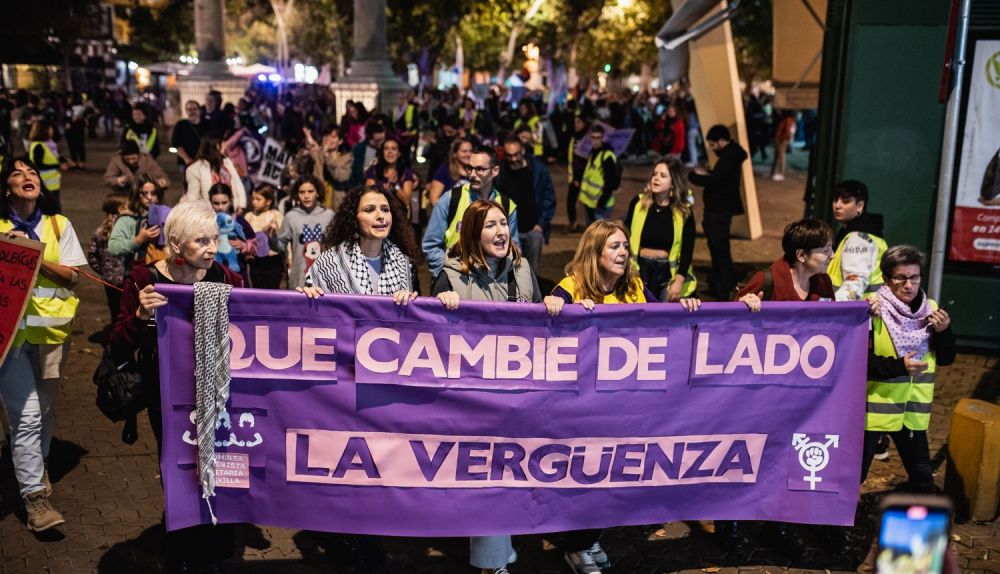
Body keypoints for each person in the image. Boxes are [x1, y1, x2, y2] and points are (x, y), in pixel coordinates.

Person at [549, 219, 699, 574]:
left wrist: (687, 307)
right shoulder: (569, 288)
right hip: (581, 408)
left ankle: (587, 538)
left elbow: (664, 325)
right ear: (595, 250)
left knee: (615, 475)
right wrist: (557, 310)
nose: (623, 252)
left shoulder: (634, 286)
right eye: (614, 246)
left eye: (624, 246)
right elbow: (546, 336)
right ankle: (576, 545)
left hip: (625, 404)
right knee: (589, 476)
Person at [110, 200, 242, 572]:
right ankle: (183, 552)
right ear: (177, 243)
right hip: (166, 395)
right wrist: (140, 315)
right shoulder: (142, 279)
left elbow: (257, 317)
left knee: (220, 466)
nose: (212, 248)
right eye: (201, 240)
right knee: (181, 469)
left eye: (214, 238)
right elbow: (119, 345)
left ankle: (214, 550)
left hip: (217, 391)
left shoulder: (225, 278)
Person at [432, 199, 562, 574]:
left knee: (511, 475)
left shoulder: (522, 269)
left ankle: (500, 546)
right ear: (473, 232)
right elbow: (433, 340)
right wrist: (441, 306)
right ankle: (492, 564)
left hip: (519, 395)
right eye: (489, 225)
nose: (500, 231)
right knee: (489, 477)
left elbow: (540, 320)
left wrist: (550, 304)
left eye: (503, 223)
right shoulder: (452, 276)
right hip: (474, 399)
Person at [729, 218, 835, 558]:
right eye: (825, 250)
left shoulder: (823, 283)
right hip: (759, 393)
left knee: (787, 460)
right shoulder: (767, 279)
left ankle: (776, 526)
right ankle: (729, 524)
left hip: (801, 395)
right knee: (748, 457)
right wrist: (744, 308)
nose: (832, 255)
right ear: (801, 255)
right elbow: (724, 328)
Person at [855, 245, 956, 572]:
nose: (909, 285)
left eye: (914, 277)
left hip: (912, 413)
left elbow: (948, 357)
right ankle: (833, 532)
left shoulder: (933, 310)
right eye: (900, 279)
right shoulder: (872, 310)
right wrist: (898, 366)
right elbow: (860, 362)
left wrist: (944, 333)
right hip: (875, 409)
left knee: (923, 478)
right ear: (887, 279)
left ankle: (923, 552)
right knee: (854, 476)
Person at [0, 156, 87, 532]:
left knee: (46, 410)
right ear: (7, 188)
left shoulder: (58, 224)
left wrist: (31, 254)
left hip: (52, 334)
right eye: (17, 174)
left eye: (32, 172)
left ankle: (37, 462)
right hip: (10, 339)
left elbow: (72, 277)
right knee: (28, 416)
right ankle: (36, 500)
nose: (27, 177)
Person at [422, 145, 519, 278]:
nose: (472, 174)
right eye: (470, 168)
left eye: (479, 169)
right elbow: (430, 245)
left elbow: (514, 248)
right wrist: (450, 274)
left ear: (495, 171)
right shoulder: (450, 199)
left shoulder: (507, 205)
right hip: (453, 285)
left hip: (493, 284)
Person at [623, 156, 696, 302]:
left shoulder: (684, 212)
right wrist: (629, 270)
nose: (656, 179)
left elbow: (687, 251)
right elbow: (625, 236)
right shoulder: (638, 203)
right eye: (654, 174)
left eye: (663, 176)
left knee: (664, 320)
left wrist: (679, 281)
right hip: (639, 271)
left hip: (667, 275)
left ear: (673, 183)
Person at [688, 124, 747, 300]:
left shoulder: (730, 156)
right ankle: (718, 285)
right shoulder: (730, 155)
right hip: (719, 210)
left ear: (722, 141)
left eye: (713, 145)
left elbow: (716, 180)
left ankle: (723, 290)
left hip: (719, 211)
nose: (712, 149)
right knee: (718, 250)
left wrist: (694, 176)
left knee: (720, 251)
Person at [495, 135, 555, 272]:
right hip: (508, 232)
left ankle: (529, 293)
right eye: (509, 155)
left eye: (516, 154)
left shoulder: (538, 169)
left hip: (533, 231)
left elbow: (549, 197)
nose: (514, 159)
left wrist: (541, 224)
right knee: (508, 270)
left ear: (523, 150)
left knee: (530, 270)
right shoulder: (500, 171)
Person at [828, 180, 887, 301]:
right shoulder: (853, 234)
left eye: (845, 201)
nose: (837, 205)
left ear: (860, 206)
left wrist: (827, 308)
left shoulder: (859, 238)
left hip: (857, 313)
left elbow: (854, 286)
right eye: (835, 200)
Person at [275, 175, 335, 289]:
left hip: (325, 277)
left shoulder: (329, 215)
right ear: (296, 195)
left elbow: (337, 246)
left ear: (317, 192)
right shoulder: (291, 216)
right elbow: (280, 246)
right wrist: (270, 239)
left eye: (310, 191)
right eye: (302, 192)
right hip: (299, 278)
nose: (306, 196)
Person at [108, 174, 165, 281]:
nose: (149, 197)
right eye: (144, 193)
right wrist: (139, 240)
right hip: (136, 275)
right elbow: (113, 247)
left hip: (163, 274)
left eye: (153, 193)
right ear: (136, 194)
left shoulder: (167, 215)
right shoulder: (127, 219)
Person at [87, 192, 129, 323]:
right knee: (128, 311)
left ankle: (114, 339)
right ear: (121, 209)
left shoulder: (100, 230)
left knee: (115, 312)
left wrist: (104, 271)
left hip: (109, 281)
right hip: (127, 279)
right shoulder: (127, 229)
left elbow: (92, 255)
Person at [184, 136, 247, 212]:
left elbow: (237, 183)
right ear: (217, 146)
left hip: (231, 209)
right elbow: (193, 196)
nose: (225, 145)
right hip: (209, 213)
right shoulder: (195, 169)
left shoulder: (226, 162)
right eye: (223, 143)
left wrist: (241, 205)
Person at [208, 183, 255, 283]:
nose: (220, 207)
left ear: (231, 200)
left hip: (237, 274)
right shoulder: (206, 222)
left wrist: (244, 246)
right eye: (216, 203)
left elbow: (255, 245)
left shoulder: (238, 221)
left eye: (224, 202)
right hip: (212, 274)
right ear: (210, 202)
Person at [244, 184, 285, 289]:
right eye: (253, 199)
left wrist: (273, 231)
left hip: (273, 261)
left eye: (258, 199)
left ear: (268, 201)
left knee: (273, 291)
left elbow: (282, 238)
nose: (254, 202)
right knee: (257, 291)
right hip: (256, 261)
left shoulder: (276, 215)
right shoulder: (249, 216)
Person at [578, 125, 620, 224]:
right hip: (589, 203)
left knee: (601, 237)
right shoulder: (592, 153)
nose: (595, 141)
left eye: (598, 137)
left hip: (601, 205)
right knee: (591, 236)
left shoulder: (607, 156)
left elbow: (611, 183)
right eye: (593, 137)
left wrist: (601, 203)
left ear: (603, 138)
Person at [305, 126, 352, 211]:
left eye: (333, 137)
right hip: (318, 204)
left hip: (337, 206)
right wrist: (308, 148)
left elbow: (341, 177)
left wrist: (327, 156)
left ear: (340, 141)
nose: (328, 139)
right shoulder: (316, 155)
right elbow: (301, 168)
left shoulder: (347, 158)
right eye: (326, 136)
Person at [364, 136, 416, 213]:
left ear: (399, 153)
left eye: (393, 149)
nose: (390, 152)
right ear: (382, 152)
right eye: (386, 149)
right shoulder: (373, 170)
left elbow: (407, 201)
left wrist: (396, 187)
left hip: (399, 215)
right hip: (377, 214)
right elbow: (367, 196)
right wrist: (382, 191)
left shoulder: (406, 172)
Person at [103, 139, 170, 193]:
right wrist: (118, 180)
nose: (131, 161)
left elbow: (161, 175)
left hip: (144, 193)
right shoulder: (117, 161)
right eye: (127, 159)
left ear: (138, 155)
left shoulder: (147, 160)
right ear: (122, 157)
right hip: (123, 193)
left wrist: (163, 182)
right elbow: (108, 178)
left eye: (133, 158)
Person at [27, 120, 64, 212]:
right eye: (50, 129)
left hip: (51, 184)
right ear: (44, 130)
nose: (52, 131)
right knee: (51, 211)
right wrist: (58, 166)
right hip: (44, 184)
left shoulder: (48, 144)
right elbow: (39, 165)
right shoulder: (39, 146)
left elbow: (52, 158)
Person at [427, 136, 473, 206]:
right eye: (464, 151)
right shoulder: (445, 169)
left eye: (471, 151)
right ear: (455, 154)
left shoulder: (475, 170)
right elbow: (434, 197)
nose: (468, 154)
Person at [566, 114, 590, 232]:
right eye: (575, 122)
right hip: (573, 176)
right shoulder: (575, 137)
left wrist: (577, 178)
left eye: (579, 122)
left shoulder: (587, 140)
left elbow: (582, 161)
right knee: (571, 200)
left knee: (585, 202)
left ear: (584, 123)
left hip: (582, 177)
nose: (576, 124)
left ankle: (587, 225)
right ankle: (573, 222)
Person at [170, 100, 203, 178]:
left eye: (194, 109)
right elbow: (176, 144)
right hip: (186, 163)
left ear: (199, 110)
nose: (192, 112)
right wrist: (187, 160)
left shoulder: (207, 124)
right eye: (189, 109)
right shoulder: (181, 125)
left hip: (203, 163)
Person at [770, 110, 796, 181]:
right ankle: (773, 172)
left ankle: (781, 173)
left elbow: (787, 131)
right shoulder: (790, 120)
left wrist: (782, 139)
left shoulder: (787, 120)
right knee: (778, 156)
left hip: (782, 140)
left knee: (781, 157)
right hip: (782, 139)